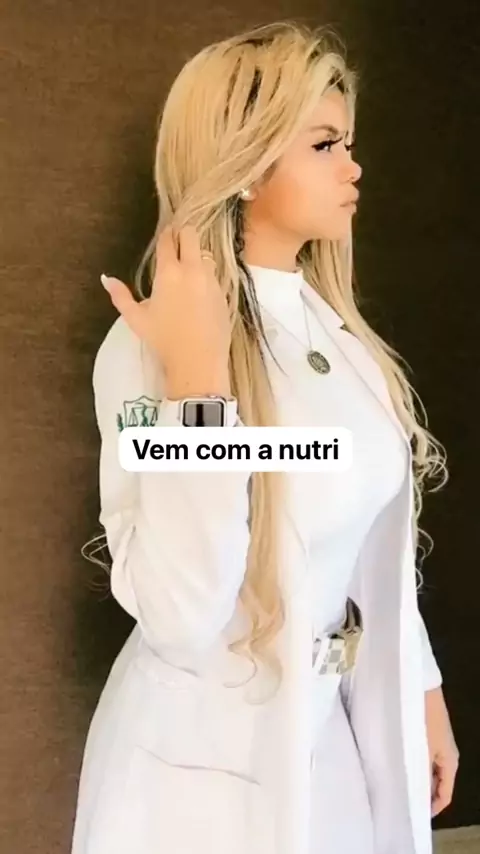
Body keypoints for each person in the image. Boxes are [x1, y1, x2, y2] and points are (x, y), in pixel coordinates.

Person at [70, 20, 459, 854]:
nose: (353, 167)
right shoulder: (148, 347)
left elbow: (367, 552)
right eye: (324, 145)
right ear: (246, 163)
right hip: (200, 781)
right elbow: (181, 611)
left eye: (347, 142)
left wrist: (419, 690)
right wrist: (200, 392)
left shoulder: (341, 342)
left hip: (331, 753)